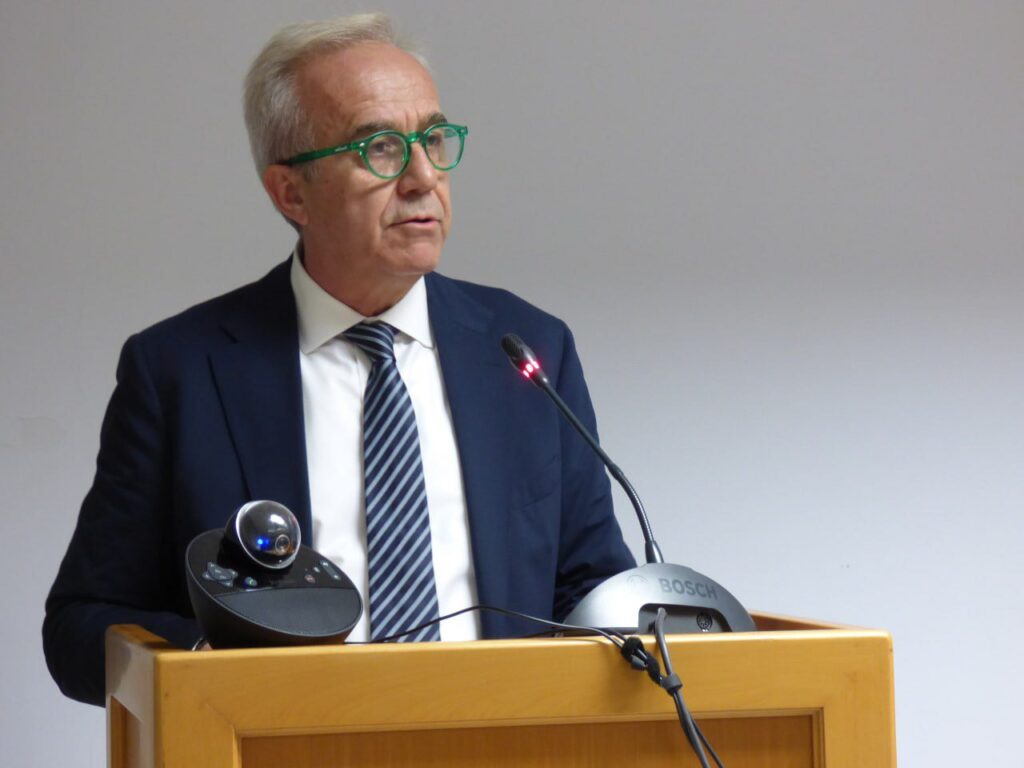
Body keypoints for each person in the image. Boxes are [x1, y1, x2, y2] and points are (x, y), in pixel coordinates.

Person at [43, 13, 634, 706]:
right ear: (291, 192)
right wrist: (213, 664)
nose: (422, 177)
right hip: (280, 740)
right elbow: (80, 627)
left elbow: (594, 590)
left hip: (500, 737)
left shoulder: (528, 349)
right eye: (380, 148)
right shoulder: (180, 371)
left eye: (433, 140)